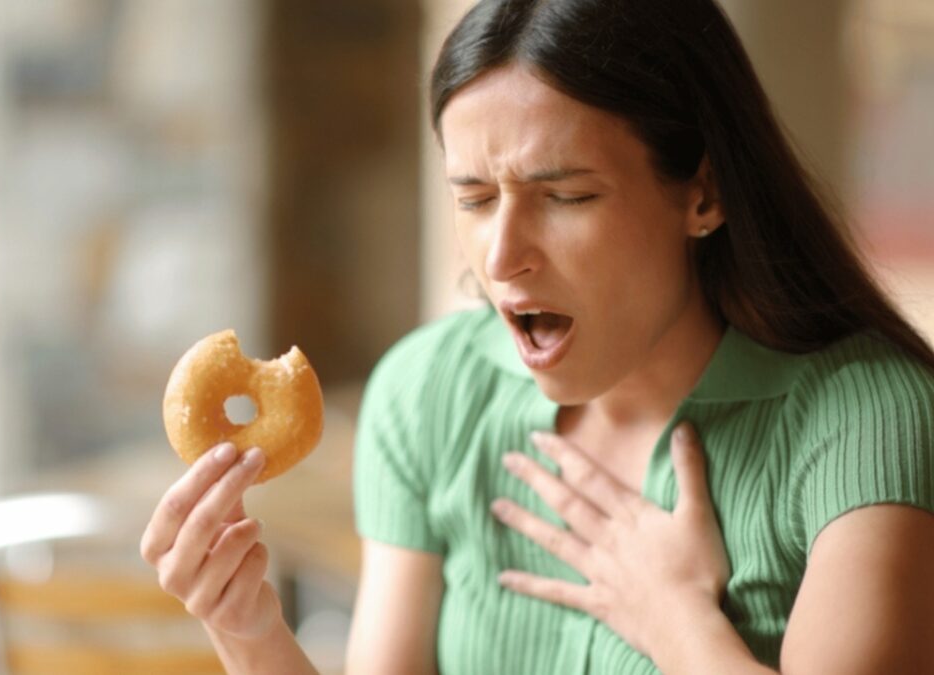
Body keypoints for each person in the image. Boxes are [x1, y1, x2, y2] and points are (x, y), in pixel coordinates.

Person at [139, 0, 934, 672]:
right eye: (476, 198)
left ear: (704, 191)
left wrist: (681, 627)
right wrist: (248, 631)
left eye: (565, 196)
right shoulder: (428, 393)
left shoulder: (869, 421)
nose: (501, 255)